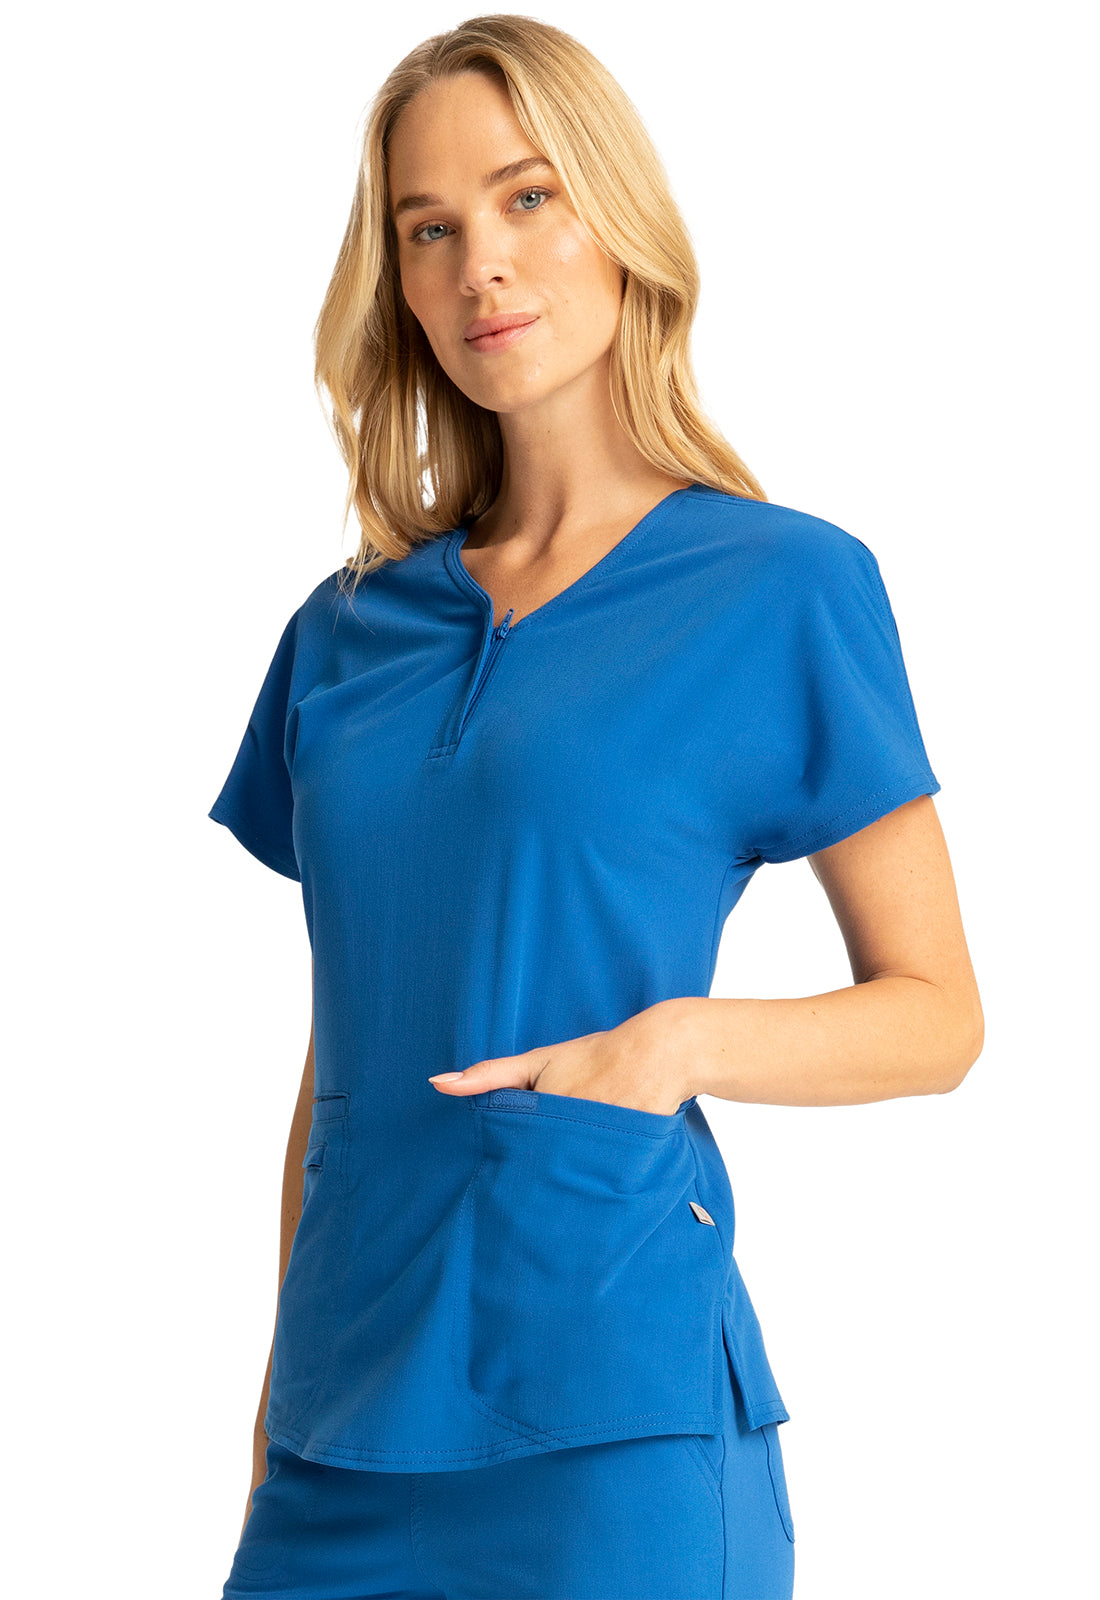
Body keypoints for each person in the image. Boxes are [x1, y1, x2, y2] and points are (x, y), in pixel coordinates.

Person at [208, 15, 984, 1600]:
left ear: (619, 219)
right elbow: (337, 1055)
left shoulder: (780, 588)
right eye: (428, 229)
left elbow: (938, 1017)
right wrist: (275, 1408)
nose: (480, 264)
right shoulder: (345, 634)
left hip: (613, 1434)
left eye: (527, 198)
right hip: (339, 1435)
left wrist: (673, 1044)